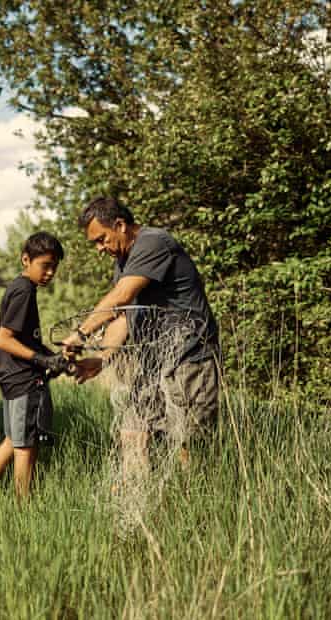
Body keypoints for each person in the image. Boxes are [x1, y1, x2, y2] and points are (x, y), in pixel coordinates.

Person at [63, 196, 219, 468]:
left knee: (187, 445)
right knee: (133, 431)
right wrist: (102, 359)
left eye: (102, 239)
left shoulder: (154, 242)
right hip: (153, 363)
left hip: (188, 359)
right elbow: (124, 316)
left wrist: (82, 332)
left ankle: (190, 504)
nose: (100, 248)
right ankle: (136, 502)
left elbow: (123, 295)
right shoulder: (123, 261)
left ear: (120, 225)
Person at [0, 232, 70, 500]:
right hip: (23, 379)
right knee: (26, 446)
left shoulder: (20, 287)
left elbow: (23, 338)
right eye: (45, 265)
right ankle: (22, 509)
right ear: (26, 259)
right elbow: (4, 339)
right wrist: (40, 360)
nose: (50, 272)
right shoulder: (25, 290)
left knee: (12, 439)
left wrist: (53, 357)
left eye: (54, 267)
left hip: (11, 377)